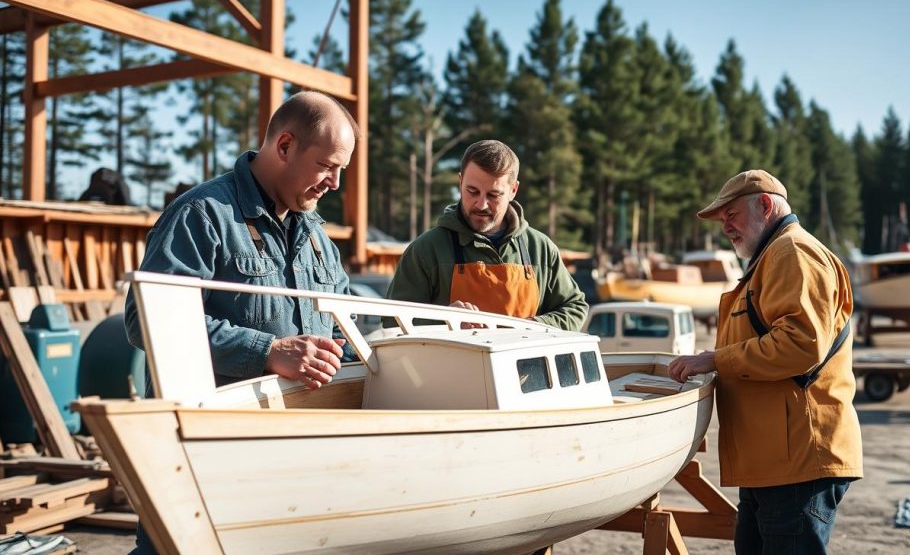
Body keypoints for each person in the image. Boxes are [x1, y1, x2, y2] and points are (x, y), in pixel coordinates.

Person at [123, 91, 361, 553]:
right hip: (200, 454)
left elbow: (345, 330)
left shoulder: (317, 237)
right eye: (327, 166)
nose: (334, 183)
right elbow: (144, 320)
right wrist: (267, 351)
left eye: (341, 171)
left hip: (286, 459)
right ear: (285, 146)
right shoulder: (203, 215)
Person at [667, 170, 863, 554]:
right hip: (773, 460)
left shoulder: (793, 253)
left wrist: (714, 359)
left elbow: (800, 345)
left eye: (731, 215)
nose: (726, 226)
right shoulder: (772, 257)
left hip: (795, 463)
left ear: (766, 206)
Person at [387, 139, 588, 331]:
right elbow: (392, 320)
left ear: (513, 190)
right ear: (460, 182)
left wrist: (533, 327)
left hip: (524, 367)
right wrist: (446, 321)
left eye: (493, 195)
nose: (481, 204)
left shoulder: (541, 249)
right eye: (472, 191)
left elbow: (575, 308)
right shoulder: (426, 250)